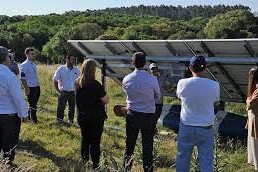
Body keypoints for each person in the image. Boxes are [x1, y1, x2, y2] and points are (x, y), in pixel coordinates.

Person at [176, 56, 220, 172]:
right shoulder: (214, 85)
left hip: (186, 125)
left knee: (183, 159)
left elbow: (179, 97)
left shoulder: (182, 83)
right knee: (206, 162)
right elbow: (216, 103)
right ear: (205, 68)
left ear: (190, 68)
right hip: (206, 127)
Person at [122, 52, 161, 172]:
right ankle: (148, 170)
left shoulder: (126, 78)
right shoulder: (152, 79)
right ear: (145, 63)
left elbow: (126, 92)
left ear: (132, 62)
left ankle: (126, 169)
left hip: (132, 114)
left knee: (130, 144)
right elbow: (158, 96)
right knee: (148, 146)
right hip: (148, 115)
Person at [75, 59, 109, 169]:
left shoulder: (78, 82)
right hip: (95, 118)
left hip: (82, 116)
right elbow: (106, 100)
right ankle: (95, 165)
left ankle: (85, 163)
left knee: (85, 140)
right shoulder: (96, 85)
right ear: (93, 70)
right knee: (95, 142)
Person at [0, 46, 28, 162]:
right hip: (9, 117)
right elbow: (17, 99)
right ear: (7, 58)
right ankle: (8, 166)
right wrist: (24, 115)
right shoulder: (10, 76)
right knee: (9, 145)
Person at [53, 55, 81, 124]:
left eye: (74, 59)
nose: (73, 61)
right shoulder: (61, 69)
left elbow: (80, 80)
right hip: (63, 92)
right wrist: (58, 91)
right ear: (67, 59)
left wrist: (78, 90)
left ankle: (70, 120)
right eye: (72, 59)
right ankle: (59, 120)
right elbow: (55, 80)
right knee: (61, 107)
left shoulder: (76, 69)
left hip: (73, 92)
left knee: (72, 108)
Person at [20, 47, 40, 124]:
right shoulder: (24, 65)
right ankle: (34, 121)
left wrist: (38, 86)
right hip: (30, 88)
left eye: (34, 54)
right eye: (32, 54)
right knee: (33, 105)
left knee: (33, 104)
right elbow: (22, 78)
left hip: (36, 87)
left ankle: (28, 117)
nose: (33, 55)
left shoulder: (34, 64)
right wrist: (26, 88)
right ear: (27, 54)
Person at [246, 66, 258, 170]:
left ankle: (256, 164)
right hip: (253, 117)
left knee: (255, 141)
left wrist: (248, 101)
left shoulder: (257, 90)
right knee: (253, 140)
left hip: (255, 118)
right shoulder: (255, 89)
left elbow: (250, 104)